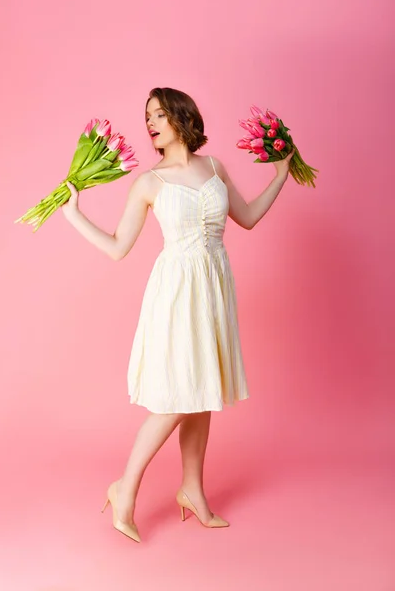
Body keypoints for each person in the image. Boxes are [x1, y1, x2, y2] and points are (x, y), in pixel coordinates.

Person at [62, 87, 294, 543]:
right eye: (147, 116)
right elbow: (117, 247)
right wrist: (73, 214)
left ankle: (191, 489)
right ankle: (124, 488)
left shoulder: (214, 168)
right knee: (179, 396)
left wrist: (281, 175)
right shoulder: (149, 182)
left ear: (182, 118)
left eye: (159, 114)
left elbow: (245, 217)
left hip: (213, 288)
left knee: (202, 390)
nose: (150, 123)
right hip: (176, 292)